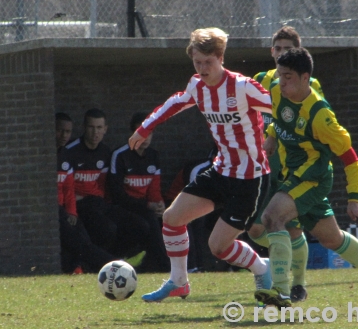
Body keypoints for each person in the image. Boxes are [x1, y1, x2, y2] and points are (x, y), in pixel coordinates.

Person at [130, 27, 273, 302]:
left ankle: (261, 267)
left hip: (250, 178)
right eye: (198, 62)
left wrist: (277, 136)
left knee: (218, 247)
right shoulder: (197, 85)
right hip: (220, 171)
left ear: (221, 58)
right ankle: (179, 281)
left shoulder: (242, 87)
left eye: (208, 62)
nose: (203, 68)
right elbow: (176, 103)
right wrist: (145, 128)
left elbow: (278, 108)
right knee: (171, 219)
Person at [254, 47, 358, 309]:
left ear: (304, 77)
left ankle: (281, 291)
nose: (281, 82)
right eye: (280, 75)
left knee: (272, 217)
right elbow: (278, 120)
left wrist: (354, 199)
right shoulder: (276, 90)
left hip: (312, 177)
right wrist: (272, 136)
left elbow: (352, 160)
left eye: (288, 77)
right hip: (293, 174)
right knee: (331, 239)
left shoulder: (321, 116)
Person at [247, 26, 323, 302]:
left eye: (287, 49)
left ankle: (296, 284)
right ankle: (282, 265)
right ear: (271, 52)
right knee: (255, 228)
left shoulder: (309, 86)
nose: (281, 53)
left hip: (294, 167)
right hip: (265, 166)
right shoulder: (259, 81)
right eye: (277, 49)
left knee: (291, 227)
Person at [55, 113, 138, 273]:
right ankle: (116, 265)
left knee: (133, 225)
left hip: (79, 207)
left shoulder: (65, 155)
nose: (64, 135)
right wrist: (70, 210)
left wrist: (71, 212)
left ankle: (104, 264)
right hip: (60, 209)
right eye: (60, 131)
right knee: (83, 240)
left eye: (67, 132)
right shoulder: (60, 154)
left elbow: (68, 187)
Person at [108, 111, 170, 273]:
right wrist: (148, 205)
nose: (146, 137)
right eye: (141, 133)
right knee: (145, 223)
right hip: (123, 207)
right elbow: (117, 195)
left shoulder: (153, 156)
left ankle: (188, 266)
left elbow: (155, 189)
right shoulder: (120, 155)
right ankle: (164, 266)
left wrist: (159, 205)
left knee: (173, 217)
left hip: (146, 207)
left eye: (149, 133)